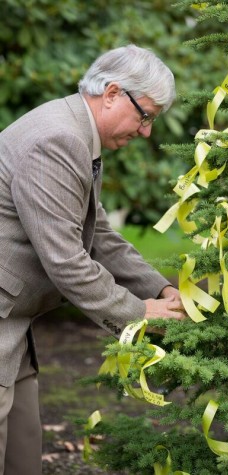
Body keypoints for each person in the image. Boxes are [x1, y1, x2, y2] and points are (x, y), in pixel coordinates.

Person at [0, 44, 186, 475]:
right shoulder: (58, 139)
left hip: (14, 325)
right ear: (113, 92)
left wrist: (159, 287)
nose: (146, 132)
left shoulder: (75, 130)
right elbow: (67, 261)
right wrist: (139, 313)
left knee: (22, 454)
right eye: (146, 115)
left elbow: (97, 232)